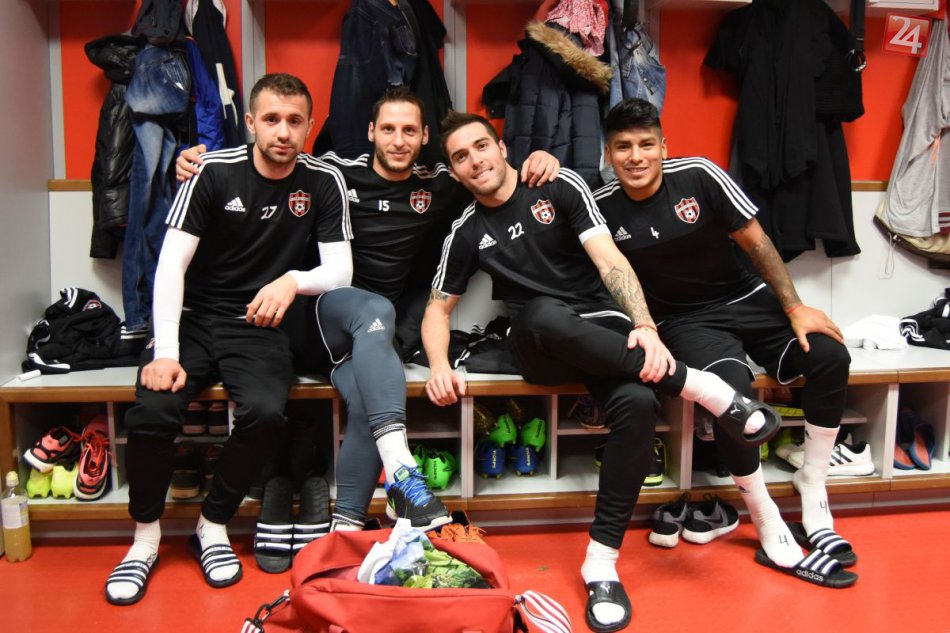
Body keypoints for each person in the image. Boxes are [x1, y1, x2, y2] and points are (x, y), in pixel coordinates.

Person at [422, 111, 780, 633]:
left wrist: (645, 326)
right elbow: (438, 309)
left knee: (638, 403)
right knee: (541, 312)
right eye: (460, 157)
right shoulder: (467, 231)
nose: (474, 161)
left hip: (602, 328)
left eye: (481, 146)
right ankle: (698, 385)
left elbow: (609, 259)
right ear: (454, 172)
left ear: (502, 147)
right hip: (538, 343)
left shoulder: (558, 184)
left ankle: (601, 561)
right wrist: (437, 365)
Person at [175, 86, 561, 533]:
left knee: (368, 401)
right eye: (389, 129)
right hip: (318, 317)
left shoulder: (440, 182)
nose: (399, 141)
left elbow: (490, 175)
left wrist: (538, 161)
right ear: (372, 132)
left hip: (374, 334)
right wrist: (193, 161)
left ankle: (346, 527)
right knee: (375, 311)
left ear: (424, 138)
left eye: (410, 131)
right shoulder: (335, 172)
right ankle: (403, 474)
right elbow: (271, 159)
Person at [104, 73, 354, 605]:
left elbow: (341, 271)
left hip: (257, 322)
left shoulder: (323, 180)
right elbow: (170, 263)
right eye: (272, 119)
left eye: (294, 121)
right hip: (192, 317)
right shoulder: (211, 170)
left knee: (265, 412)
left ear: (310, 125)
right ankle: (144, 538)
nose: (283, 131)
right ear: (250, 122)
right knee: (153, 410)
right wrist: (165, 352)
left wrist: (291, 280)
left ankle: (212, 523)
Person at [594, 98, 857, 588]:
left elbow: (757, 242)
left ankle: (813, 483)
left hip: (745, 296)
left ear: (663, 146)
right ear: (608, 154)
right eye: (623, 147)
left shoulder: (699, 175)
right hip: (684, 321)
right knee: (733, 395)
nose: (636, 156)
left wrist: (795, 306)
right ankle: (763, 513)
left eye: (646, 144)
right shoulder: (601, 204)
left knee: (829, 355)